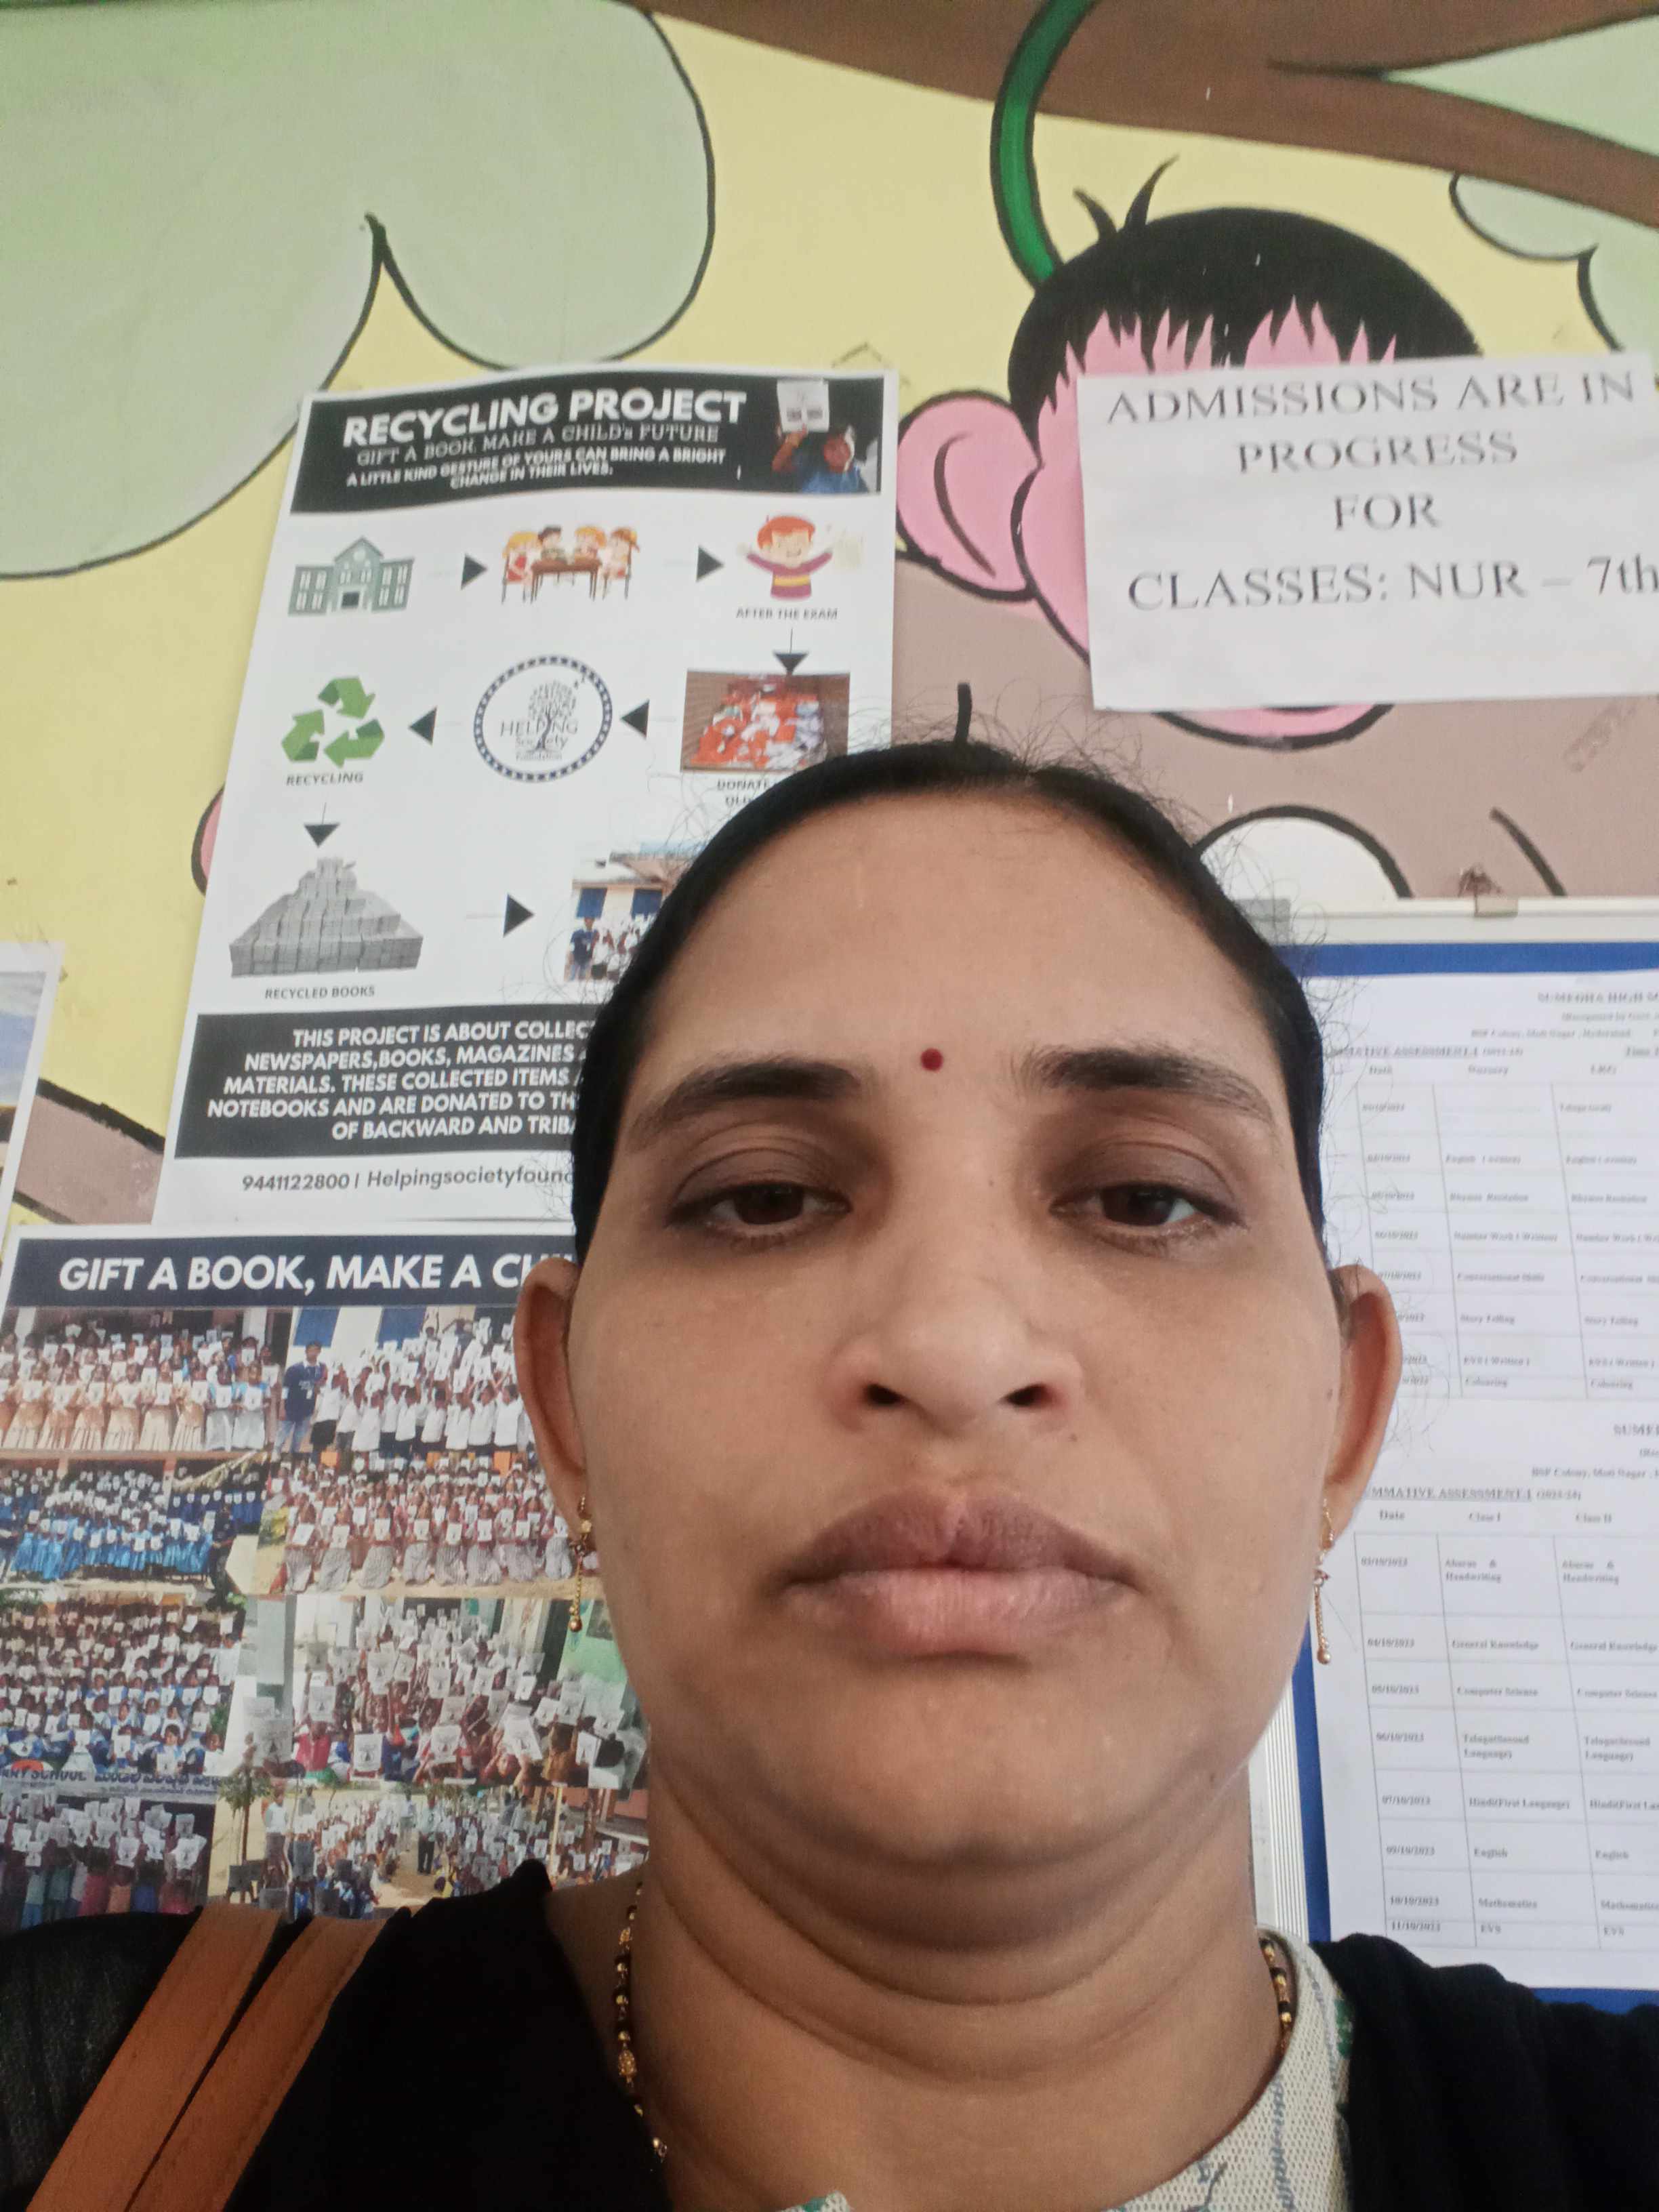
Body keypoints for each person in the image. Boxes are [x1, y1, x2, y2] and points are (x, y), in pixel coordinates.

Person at [3, 739, 1656, 2212]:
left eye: (1146, 1198)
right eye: (761, 1199)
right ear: (565, 1410)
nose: (952, 1342)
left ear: (1345, 1419)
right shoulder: (80, 2108)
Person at [277, 1341, 326, 1454]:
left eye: (316, 1350)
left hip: (307, 1408)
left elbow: (321, 1386)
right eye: (311, 1350)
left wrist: (318, 1388)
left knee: (299, 1438)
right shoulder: (295, 1369)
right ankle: (276, 1455)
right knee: (282, 1434)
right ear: (306, 1352)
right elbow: (286, 1388)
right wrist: (282, 1407)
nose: (313, 1353)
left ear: (319, 1352)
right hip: (291, 1406)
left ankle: (293, 1457)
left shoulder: (321, 1369)